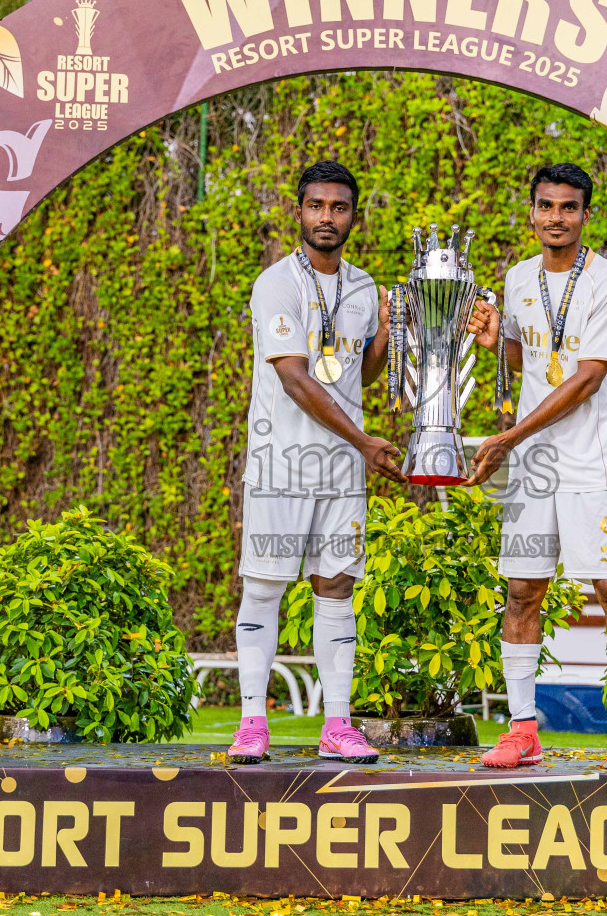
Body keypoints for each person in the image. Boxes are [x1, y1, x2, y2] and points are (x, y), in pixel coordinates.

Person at [464, 162, 607, 773]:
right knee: (522, 589)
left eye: (568, 208)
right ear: (532, 211)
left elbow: (587, 378)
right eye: (545, 207)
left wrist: (508, 437)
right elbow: (529, 358)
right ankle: (521, 731)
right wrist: (498, 344)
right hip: (535, 466)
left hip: (590, 460)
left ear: (585, 214)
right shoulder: (517, 279)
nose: (556, 219)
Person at [230, 160, 406, 765]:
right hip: (282, 464)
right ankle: (253, 722)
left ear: (354, 216)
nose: (326, 217)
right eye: (316, 206)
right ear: (298, 210)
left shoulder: (363, 288)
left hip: (341, 473)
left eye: (339, 208)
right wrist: (365, 442)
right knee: (264, 588)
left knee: (336, 590)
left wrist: (386, 334)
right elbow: (296, 380)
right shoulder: (275, 282)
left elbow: (359, 373)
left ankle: (337, 724)